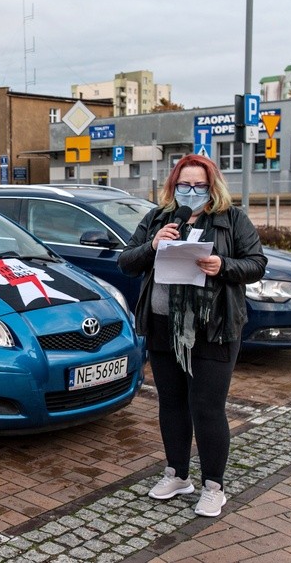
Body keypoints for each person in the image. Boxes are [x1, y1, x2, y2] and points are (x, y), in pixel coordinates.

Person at [117, 154, 267, 517]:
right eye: (185, 184)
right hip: (163, 326)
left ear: (212, 187)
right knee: (171, 403)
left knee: (207, 407)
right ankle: (177, 474)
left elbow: (257, 264)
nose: (192, 191)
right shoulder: (158, 218)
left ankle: (214, 486)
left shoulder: (232, 219)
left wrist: (223, 266)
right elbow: (126, 261)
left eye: (200, 185)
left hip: (212, 329)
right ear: (173, 186)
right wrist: (152, 245)